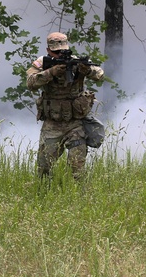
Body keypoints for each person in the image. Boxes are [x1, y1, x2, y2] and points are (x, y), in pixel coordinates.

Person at [26, 32, 104, 178]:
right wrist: (50, 72)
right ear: (48, 50)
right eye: (56, 52)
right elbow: (30, 83)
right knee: (44, 167)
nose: (60, 54)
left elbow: (99, 74)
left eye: (62, 51)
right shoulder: (42, 63)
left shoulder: (76, 62)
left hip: (75, 124)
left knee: (77, 166)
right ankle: (43, 195)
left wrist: (87, 71)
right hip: (52, 124)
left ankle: (79, 196)